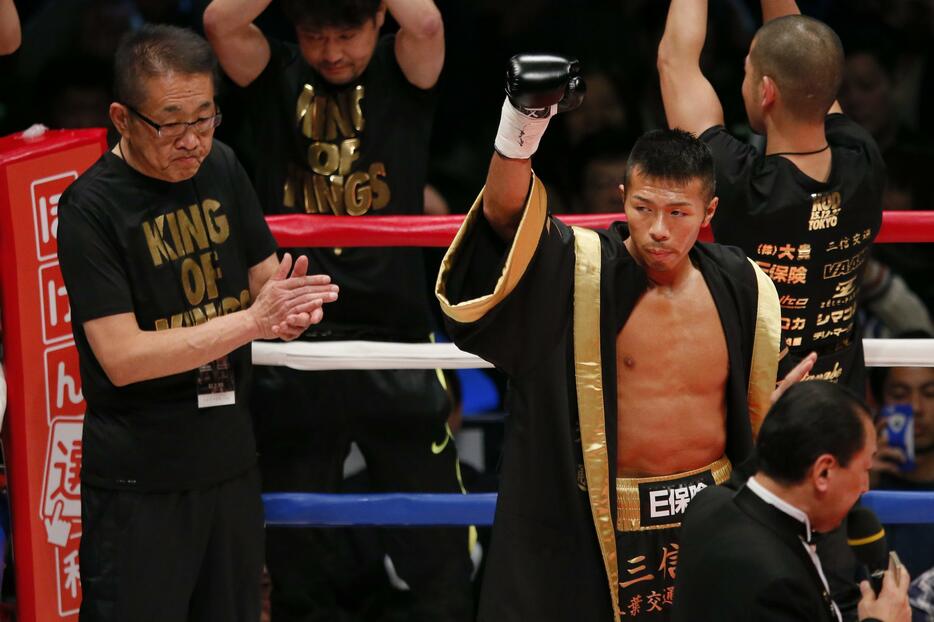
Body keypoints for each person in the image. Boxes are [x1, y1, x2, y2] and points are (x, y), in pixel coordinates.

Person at [436, 55, 811, 621]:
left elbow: (742, 417)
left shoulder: (742, 284)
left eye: (679, 212)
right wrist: (522, 123)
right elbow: (506, 217)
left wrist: (770, 416)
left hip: (709, 513)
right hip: (600, 523)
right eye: (644, 208)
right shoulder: (584, 270)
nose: (659, 229)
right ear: (622, 200)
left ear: (708, 211)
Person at [56, 24, 338, 621]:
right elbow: (122, 356)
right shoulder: (90, 208)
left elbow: (264, 277)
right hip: (142, 481)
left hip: (230, 462)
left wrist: (287, 310)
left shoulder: (222, 165)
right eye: (171, 122)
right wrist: (254, 320)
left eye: (205, 118)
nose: (191, 140)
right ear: (122, 119)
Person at [202, 1, 474, 620]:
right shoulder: (274, 73)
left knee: (436, 538)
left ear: (379, 18)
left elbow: (428, 21)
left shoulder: (402, 70)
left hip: (393, 332)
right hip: (293, 333)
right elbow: (220, 22)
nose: (330, 51)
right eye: (315, 33)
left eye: (346, 33)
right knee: (296, 540)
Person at [658, 0, 886, 393]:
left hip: (763, 414)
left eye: (748, 72)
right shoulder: (863, 160)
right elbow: (808, 60)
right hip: (843, 408)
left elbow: (675, 62)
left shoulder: (740, 182)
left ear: (765, 90)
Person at [673, 381, 910, 622]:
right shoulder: (779, 584)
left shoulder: (708, 504)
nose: (865, 487)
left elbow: (749, 475)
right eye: (865, 468)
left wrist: (785, 424)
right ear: (823, 473)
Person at [869, 361, 934, 580]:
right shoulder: (863, 484)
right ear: (877, 402)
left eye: (930, 393)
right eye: (899, 394)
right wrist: (862, 484)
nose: (916, 407)